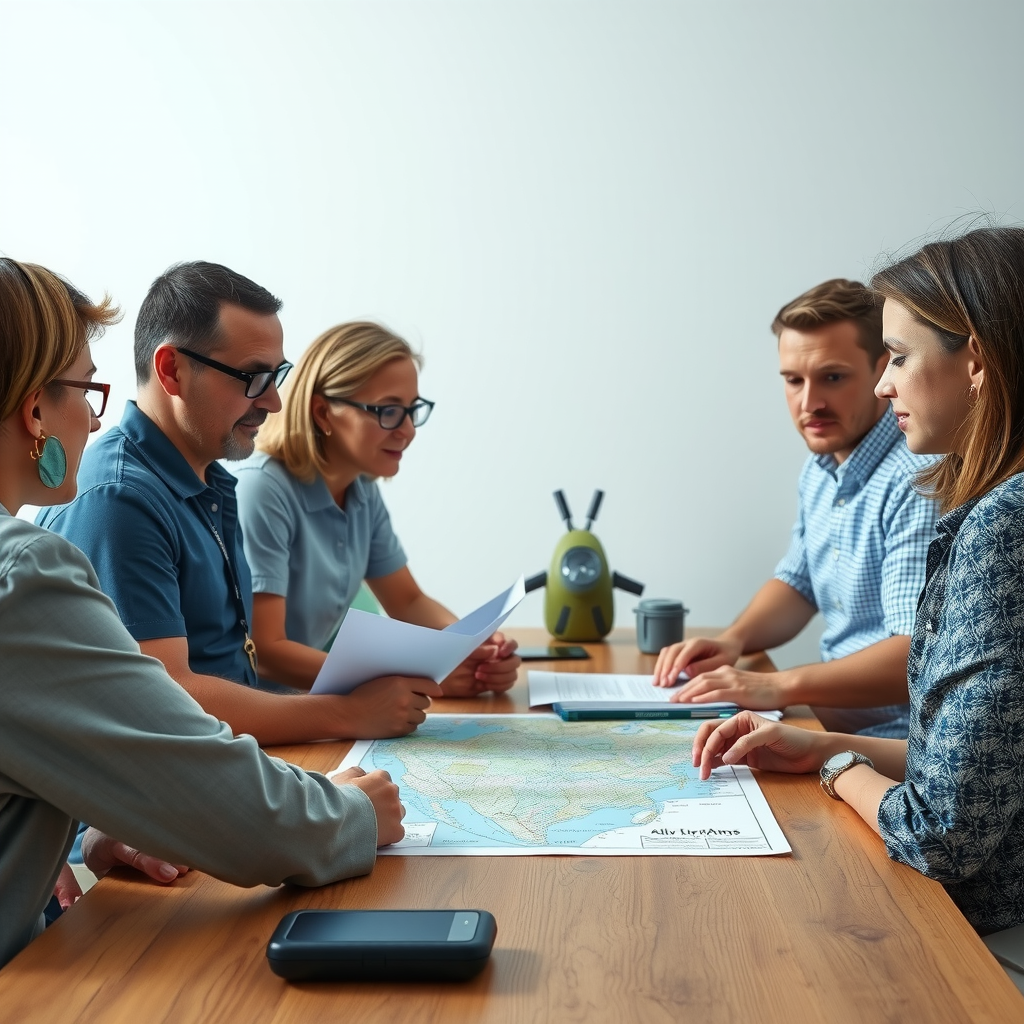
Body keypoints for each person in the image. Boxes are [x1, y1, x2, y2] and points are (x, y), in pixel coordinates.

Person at [0, 258, 403, 968]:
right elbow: (178, 741)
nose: (92, 420)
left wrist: (99, 828)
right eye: (83, 392)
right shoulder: (28, 567)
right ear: (35, 410)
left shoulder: (215, 485)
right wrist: (353, 814)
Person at [692, 225, 1024, 935]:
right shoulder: (981, 503)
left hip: (986, 921)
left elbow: (939, 830)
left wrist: (833, 764)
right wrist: (814, 742)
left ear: (978, 362)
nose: (883, 383)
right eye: (792, 379)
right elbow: (971, 774)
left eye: (897, 358)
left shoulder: (994, 520)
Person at [40, 263, 443, 742]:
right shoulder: (120, 500)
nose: (274, 402)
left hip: (229, 767)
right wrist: (346, 714)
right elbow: (165, 697)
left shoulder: (210, 482)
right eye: (253, 378)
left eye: (277, 376)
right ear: (172, 370)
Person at [653, 279, 938, 738]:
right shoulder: (820, 469)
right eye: (793, 380)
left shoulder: (917, 478)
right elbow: (799, 581)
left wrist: (776, 685)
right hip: (829, 719)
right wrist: (733, 640)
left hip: (894, 740)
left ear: (882, 372)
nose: (810, 403)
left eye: (833, 377)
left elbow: (915, 652)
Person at [233, 320, 520, 694]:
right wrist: (409, 674)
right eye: (387, 410)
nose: (408, 430)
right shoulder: (263, 489)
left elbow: (408, 600)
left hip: (310, 710)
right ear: (322, 413)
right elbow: (266, 652)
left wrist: (469, 650)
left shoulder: (361, 489)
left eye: (411, 409)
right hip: (258, 722)